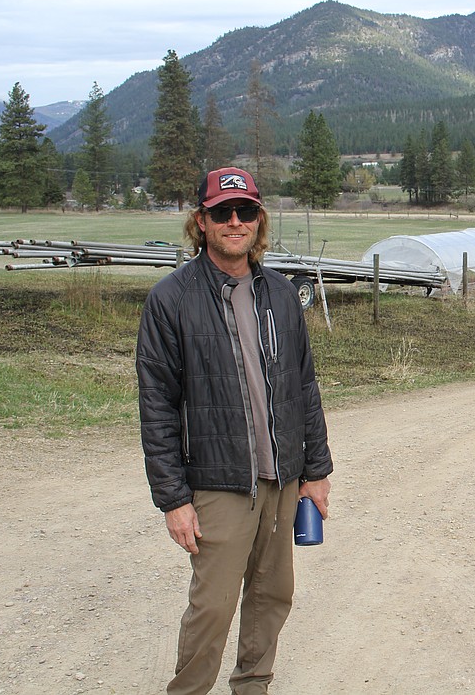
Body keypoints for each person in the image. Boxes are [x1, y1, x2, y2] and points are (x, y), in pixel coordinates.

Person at [137, 166, 332, 694]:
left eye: (245, 211)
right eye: (222, 212)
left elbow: (304, 387)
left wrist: (316, 471)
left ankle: (254, 686)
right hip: (219, 484)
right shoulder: (171, 300)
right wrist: (173, 499)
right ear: (201, 221)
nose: (234, 221)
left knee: (273, 597)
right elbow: (156, 409)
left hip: (283, 481)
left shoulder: (282, 295)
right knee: (212, 609)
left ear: (258, 219)